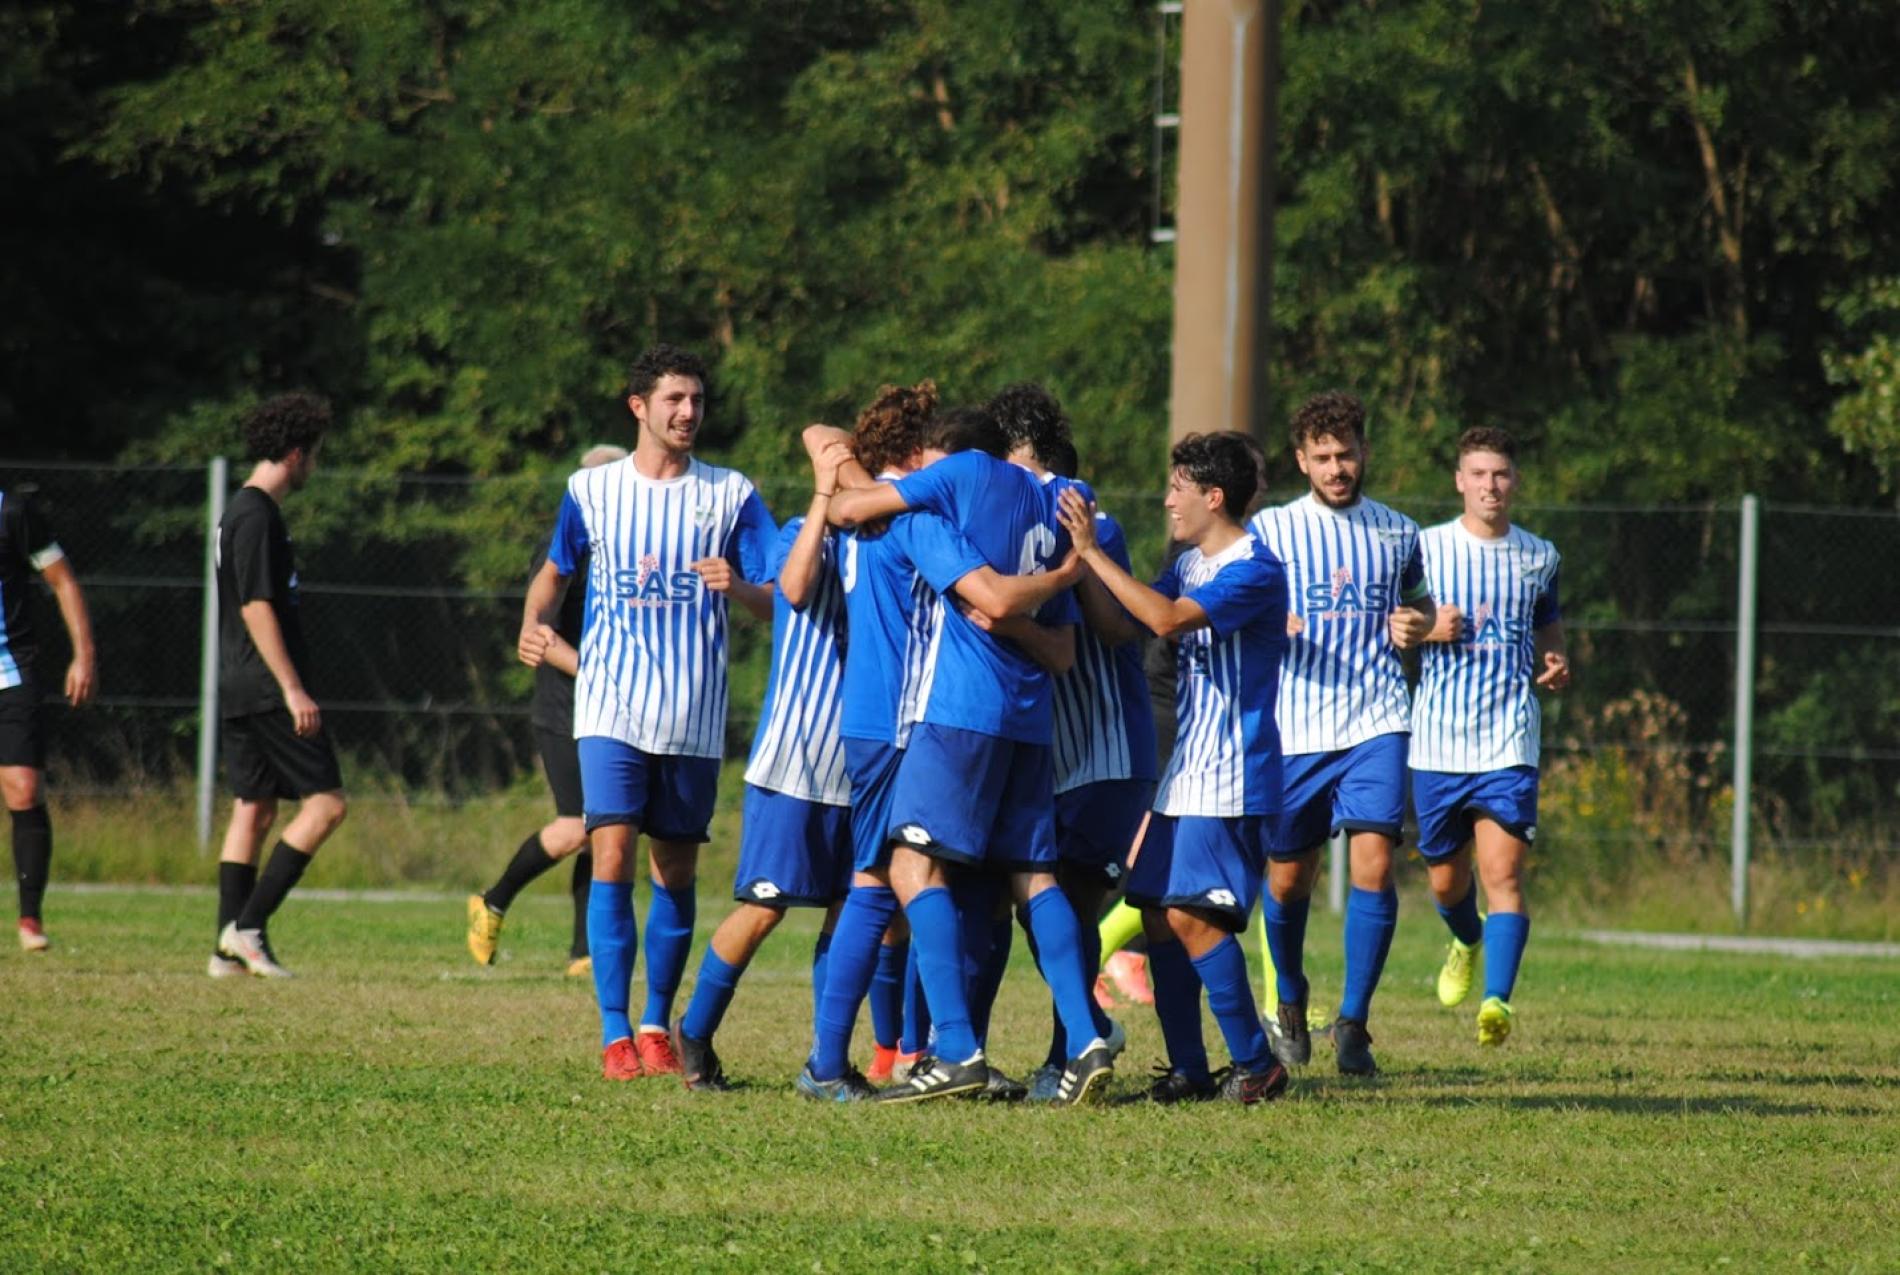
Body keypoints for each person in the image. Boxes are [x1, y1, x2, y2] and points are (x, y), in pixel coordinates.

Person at [796, 389, 1080, 1102]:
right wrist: (1068, 572)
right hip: (907, 719)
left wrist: (838, 467)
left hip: (878, 716)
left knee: (893, 879)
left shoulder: (890, 504)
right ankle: (897, 1053)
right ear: (923, 459)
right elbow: (991, 595)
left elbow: (820, 434)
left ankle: (922, 1049)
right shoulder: (923, 516)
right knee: (881, 882)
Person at [523, 345, 778, 1081]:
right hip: (610, 705)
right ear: (639, 407)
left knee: (674, 871)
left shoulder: (729, 494)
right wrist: (534, 619)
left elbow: (778, 594)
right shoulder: (592, 491)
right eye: (673, 399)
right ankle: (612, 1033)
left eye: (696, 399)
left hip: (692, 715)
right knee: (611, 851)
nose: (688, 412)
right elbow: (552, 572)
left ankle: (655, 1023)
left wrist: (741, 589)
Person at [1058, 431, 1291, 1104]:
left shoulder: (1253, 567)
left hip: (1234, 775)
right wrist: (1078, 572)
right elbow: (1120, 625)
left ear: (1213, 497)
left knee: (1191, 917)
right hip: (1188, 770)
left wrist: (1094, 554)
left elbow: (1162, 619)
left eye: (1178, 490)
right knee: (1156, 911)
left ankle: (1257, 1062)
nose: (1167, 501)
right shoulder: (1189, 561)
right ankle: (1190, 1068)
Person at [1247, 391, 1435, 1076]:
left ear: (1364, 452)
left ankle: (1353, 1023)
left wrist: (1417, 623)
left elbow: (1422, 604)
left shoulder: (1398, 531)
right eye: (1322, 456)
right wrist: (1277, 622)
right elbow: (1242, 601)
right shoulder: (1272, 530)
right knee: (1289, 878)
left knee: (1375, 863)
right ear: (1301, 460)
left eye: (1346, 453)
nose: (1336, 467)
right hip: (1296, 726)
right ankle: (1290, 997)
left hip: (1378, 718)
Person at [671, 449, 854, 1091]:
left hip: (864, 760)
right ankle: (694, 1031)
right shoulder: (801, 533)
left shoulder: (899, 536)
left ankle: (831, 1060)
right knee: (765, 907)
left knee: (855, 909)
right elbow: (788, 593)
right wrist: (825, 493)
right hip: (795, 757)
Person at [991, 383, 1153, 1100]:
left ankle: (1070, 1057)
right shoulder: (1008, 522)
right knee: (1037, 903)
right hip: (1048, 755)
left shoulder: (1097, 525)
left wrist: (1080, 557)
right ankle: (1086, 1028)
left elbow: (1121, 629)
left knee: (1074, 899)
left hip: (1107, 751)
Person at [1411, 427, 1568, 1046]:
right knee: (1446, 882)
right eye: (1478, 474)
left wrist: (1555, 659)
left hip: (1508, 739)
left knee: (1503, 877)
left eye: (1500, 474)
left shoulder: (1540, 556)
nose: (1490, 486)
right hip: (1437, 742)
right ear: (1459, 481)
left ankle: (1497, 1001)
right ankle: (1466, 939)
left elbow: (1548, 625)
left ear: (1515, 481)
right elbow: (1392, 624)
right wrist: (1426, 631)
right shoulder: (1423, 550)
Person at [466, 444, 627, 974]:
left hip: (613, 703)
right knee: (579, 825)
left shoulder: (627, 546)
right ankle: (493, 900)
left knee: (605, 827)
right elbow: (540, 633)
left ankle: (583, 951)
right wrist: (596, 673)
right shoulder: (562, 549)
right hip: (566, 705)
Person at [210, 392, 349, 978]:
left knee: (254, 809)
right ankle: (248, 928)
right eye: (314, 454)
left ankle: (226, 953)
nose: (315, 465)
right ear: (295, 454)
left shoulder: (239, 510)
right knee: (327, 805)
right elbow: (257, 606)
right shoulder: (256, 514)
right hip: (267, 687)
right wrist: (293, 688)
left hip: (238, 683)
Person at [0, 482, 96, 952]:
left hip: (11, 670)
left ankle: (30, 919)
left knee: (23, 788)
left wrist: (84, 655)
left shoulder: (14, 512)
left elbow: (62, 581)